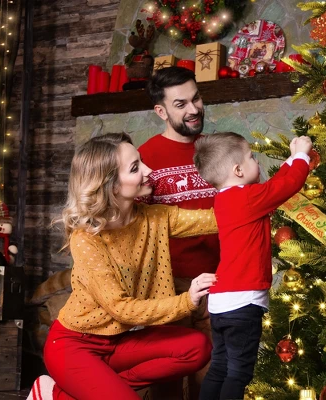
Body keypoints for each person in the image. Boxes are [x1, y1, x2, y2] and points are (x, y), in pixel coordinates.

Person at [26, 132, 218, 400]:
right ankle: (61, 393)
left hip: (117, 344)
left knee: (197, 346)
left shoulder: (155, 217)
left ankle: (66, 394)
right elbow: (121, 308)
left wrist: (260, 196)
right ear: (112, 185)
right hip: (73, 346)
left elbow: (214, 219)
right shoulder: (86, 238)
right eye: (135, 167)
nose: (149, 171)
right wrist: (187, 300)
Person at [193, 132, 312, 400]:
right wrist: (302, 155)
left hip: (221, 302)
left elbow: (274, 187)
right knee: (238, 373)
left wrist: (292, 159)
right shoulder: (247, 198)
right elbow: (287, 186)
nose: (256, 162)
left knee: (220, 368)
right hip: (242, 301)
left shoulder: (227, 199)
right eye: (251, 157)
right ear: (238, 170)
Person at [139, 66, 220, 396]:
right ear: (161, 111)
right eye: (180, 104)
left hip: (219, 280)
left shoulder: (215, 149)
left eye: (196, 98)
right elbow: (138, 229)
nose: (194, 109)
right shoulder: (145, 159)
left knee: (213, 377)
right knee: (168, 383)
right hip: (168, 287)